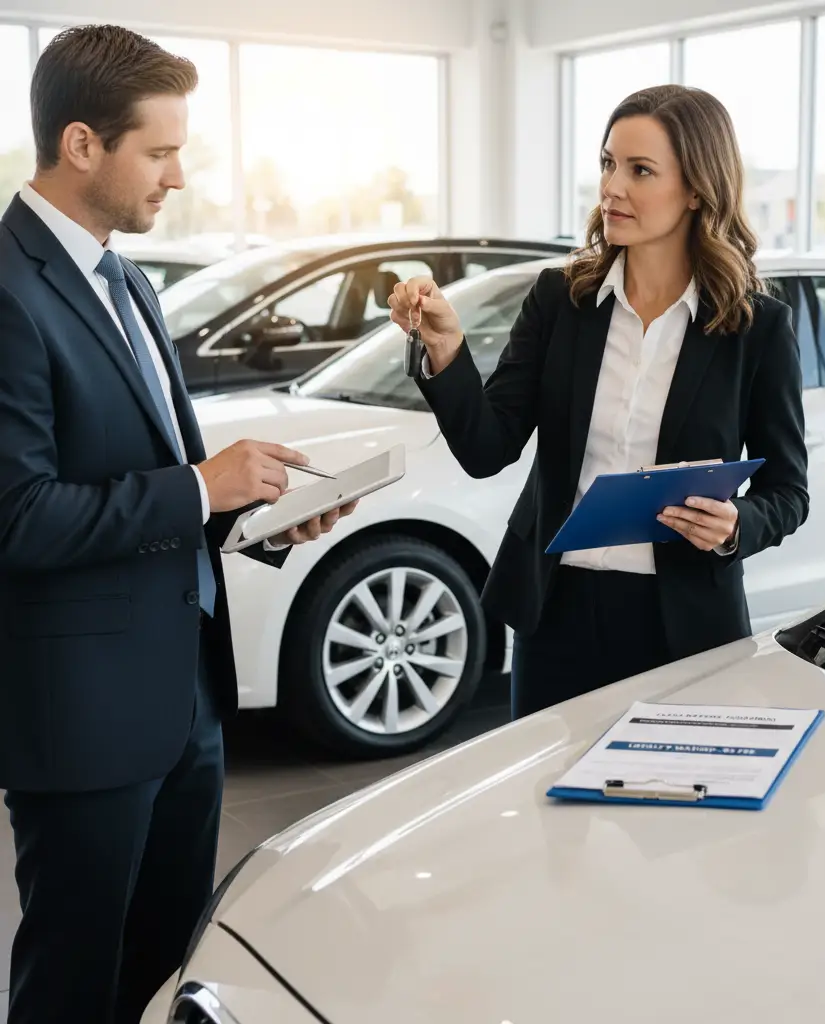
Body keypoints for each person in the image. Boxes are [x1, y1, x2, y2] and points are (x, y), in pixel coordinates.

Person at [0, 25, 355, 1024]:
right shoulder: (7, 291)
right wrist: (205, 487)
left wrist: (258, 517)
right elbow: (18, 518)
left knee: (163, 969)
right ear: (81, 146)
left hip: (186, 699)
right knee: (71, 982)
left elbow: (157, 485)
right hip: (82, 719)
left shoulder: (130, 283)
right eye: (160, 152)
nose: (179, 177)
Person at [390, 84, 808, 719]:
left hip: (684, 627)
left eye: (640, 170)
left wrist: (737, 527)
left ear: (696, 188)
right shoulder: (561, 301)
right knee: (544, 808)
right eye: (608, 164)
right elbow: (486, 447)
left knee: (669, 814)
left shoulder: (757, 330)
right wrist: (446, 350)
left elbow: (788, 492)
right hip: (556, 611)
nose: (612, 187)